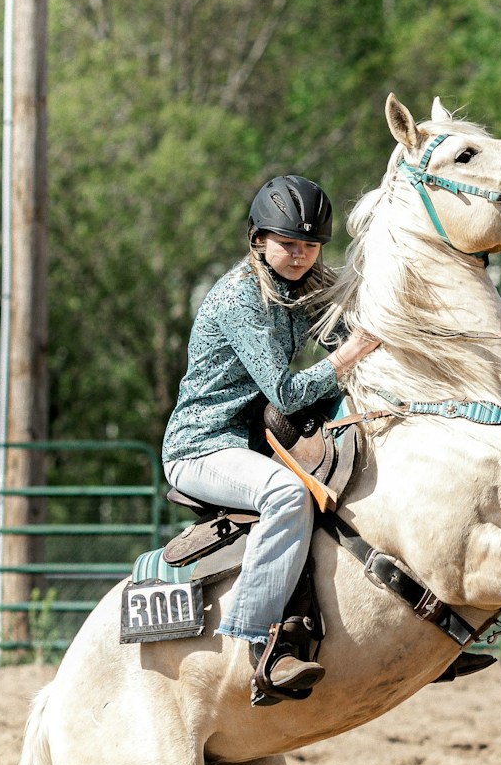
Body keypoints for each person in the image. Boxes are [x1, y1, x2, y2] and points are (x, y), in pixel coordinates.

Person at [161, 175, 381, 705]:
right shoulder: (242, 297)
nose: (301, 253)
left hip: (254, 445)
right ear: (258, 239)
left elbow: (345, 327)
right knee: (286, 495)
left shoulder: (298, 288)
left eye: (310, 245)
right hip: (201, 446)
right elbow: (284, 391)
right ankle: (257, 643)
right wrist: (350, 354)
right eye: (289, 243)